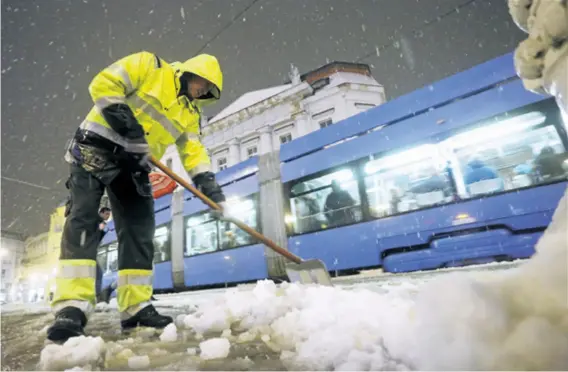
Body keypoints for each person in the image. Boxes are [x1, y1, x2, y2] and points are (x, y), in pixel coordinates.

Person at [47, 51, 226, 343]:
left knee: (140, 230)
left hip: (133, 163)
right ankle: (72, 307)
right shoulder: (149, 65)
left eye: (209, 91)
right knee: (84, 219)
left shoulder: (190, 113)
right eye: (204, 85)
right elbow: (103, 84)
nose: (204, 92)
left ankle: (135, 307)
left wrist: (208, 183)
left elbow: (193, 150)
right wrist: (131, 130)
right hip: (96, 147)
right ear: (192, 73)